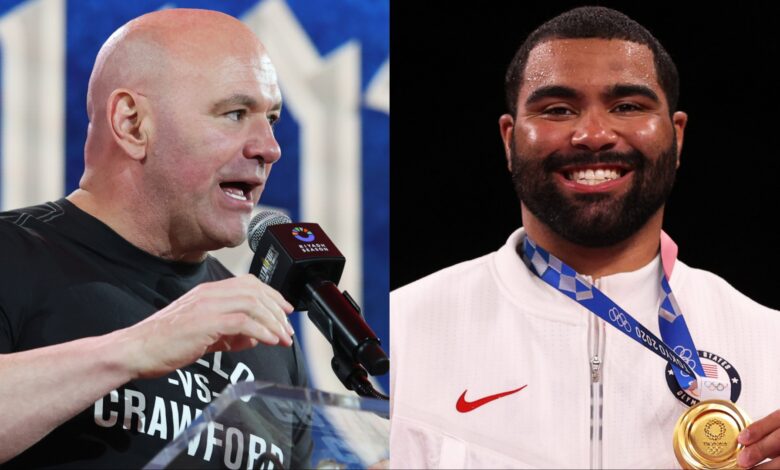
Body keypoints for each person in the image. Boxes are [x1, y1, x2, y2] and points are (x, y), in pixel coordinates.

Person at [390, 6, 780, 469]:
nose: (593, 135)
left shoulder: (769, 343)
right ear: (508, 140)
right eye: (557, 109)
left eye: (627, 107)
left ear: (676, 137)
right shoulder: (400, 333)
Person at [0, 8, 311, 468]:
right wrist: (135, 348)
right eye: (235, 113)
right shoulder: (12, 255)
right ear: (132, 123)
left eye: (272, 119)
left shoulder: (265, 336)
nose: (269, 147)